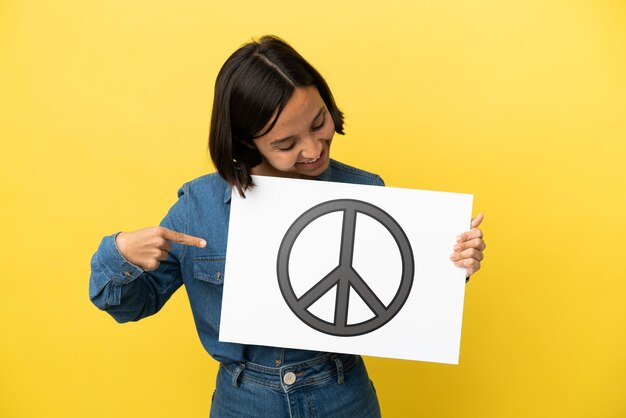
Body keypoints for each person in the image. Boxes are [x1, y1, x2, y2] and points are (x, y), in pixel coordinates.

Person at [89, 35, 486, 418]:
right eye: (285, 144)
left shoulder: (366, 191)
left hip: (342, 396)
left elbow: (399, 297)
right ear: (248, 143)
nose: (313, 150)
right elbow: (130, 306)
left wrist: (454, 266)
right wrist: (120, 254)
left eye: (319, 123)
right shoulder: (199, 207)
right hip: (244, 402)